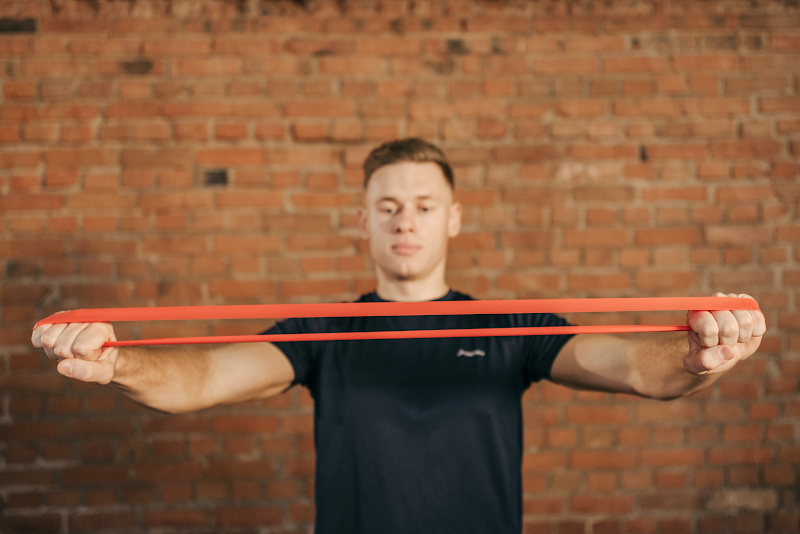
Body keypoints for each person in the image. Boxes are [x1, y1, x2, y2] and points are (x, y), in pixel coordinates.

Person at [32, 138, 766, 534]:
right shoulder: (322, 333)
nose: (405, 221)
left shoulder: (512, 327)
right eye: (387, 206)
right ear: (364, 222)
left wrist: (699, 355)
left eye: (422, 205)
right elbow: (199, 381)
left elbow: (641, 368)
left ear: (452, 219)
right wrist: (116, 362)